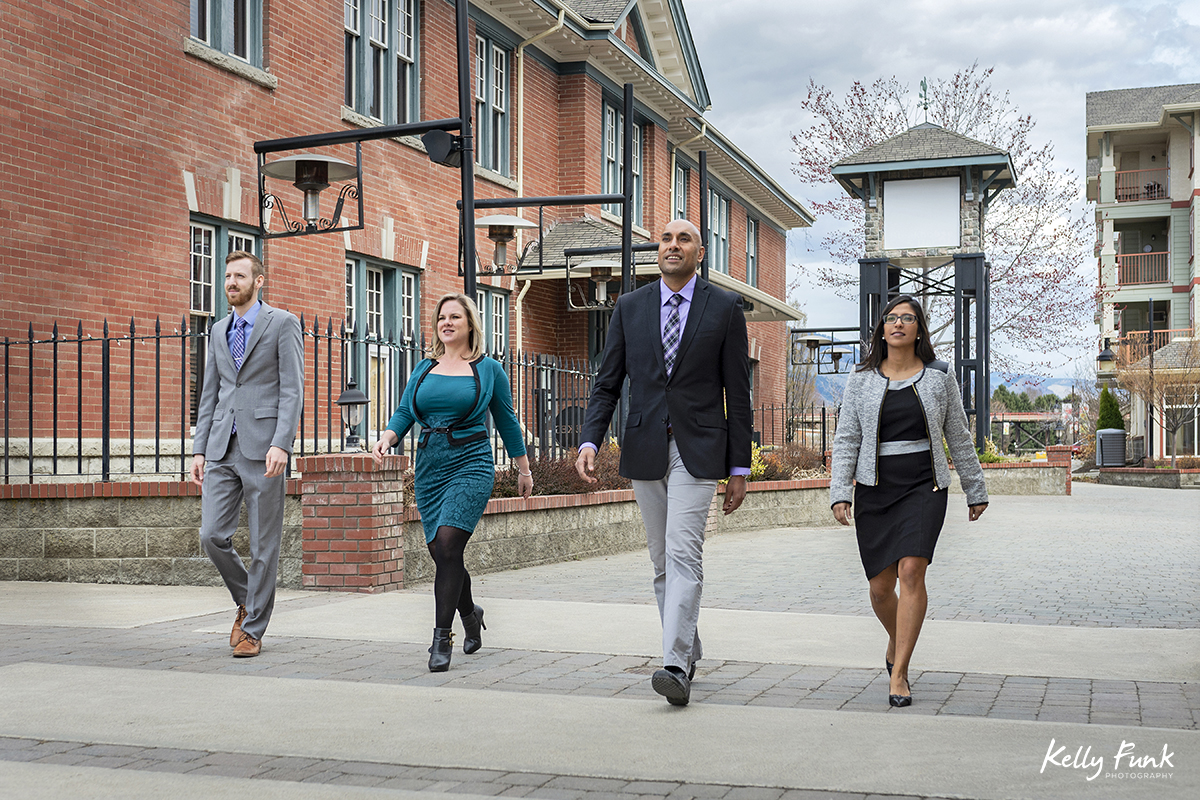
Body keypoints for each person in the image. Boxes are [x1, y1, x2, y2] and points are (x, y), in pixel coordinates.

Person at [575, 219, 752, 706]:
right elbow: (607, 381)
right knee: (660, 560)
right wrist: (590, 440)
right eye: (666, 239)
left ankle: (674, 663)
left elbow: (738, 393)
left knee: (681, 551)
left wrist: (740, 467)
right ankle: (689, 644)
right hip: (645, 445)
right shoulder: (630, 307)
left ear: (700, 252)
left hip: (699, 449)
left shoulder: (724, 307)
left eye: (684, 239)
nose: (673, 246)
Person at [830, 295, 988, 707]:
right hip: (875, 489)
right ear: (882, 329)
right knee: (881, 589)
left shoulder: (939, 376)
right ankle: (896, 639)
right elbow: (847, 439)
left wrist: (975, 488)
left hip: (924, 485)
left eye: (908, 318)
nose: (898, 324)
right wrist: (839, 492)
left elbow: (958, 434)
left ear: (919, 329)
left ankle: (899, 673)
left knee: (912, 570)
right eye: (891, 318)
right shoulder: (861, 378)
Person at [372, 293, 532, 672]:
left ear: (469, 324)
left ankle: (441, 638)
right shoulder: (424, 368)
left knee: (447, 543)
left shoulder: (489, 369)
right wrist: (388, 437)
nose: (447, 323)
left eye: (455, 317)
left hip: (471, 462)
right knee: (443, 554)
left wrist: (523, 469)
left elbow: (507, 421)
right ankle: (470, 613)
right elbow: (405, 411)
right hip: (430, 465)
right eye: (442, 318)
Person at [191, 251, 304, 658]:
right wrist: (200, 448)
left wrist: (282, 442)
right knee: (211, 536)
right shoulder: (219, 330)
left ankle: (253, 628)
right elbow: (210, 394)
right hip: (222, 445)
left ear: (259, 281)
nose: (230, 282)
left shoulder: (282, 323)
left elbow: (292, 388)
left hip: (264, 448)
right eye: (226, 276)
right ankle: (249, 600)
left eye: (239, 276)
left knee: (263, 544)